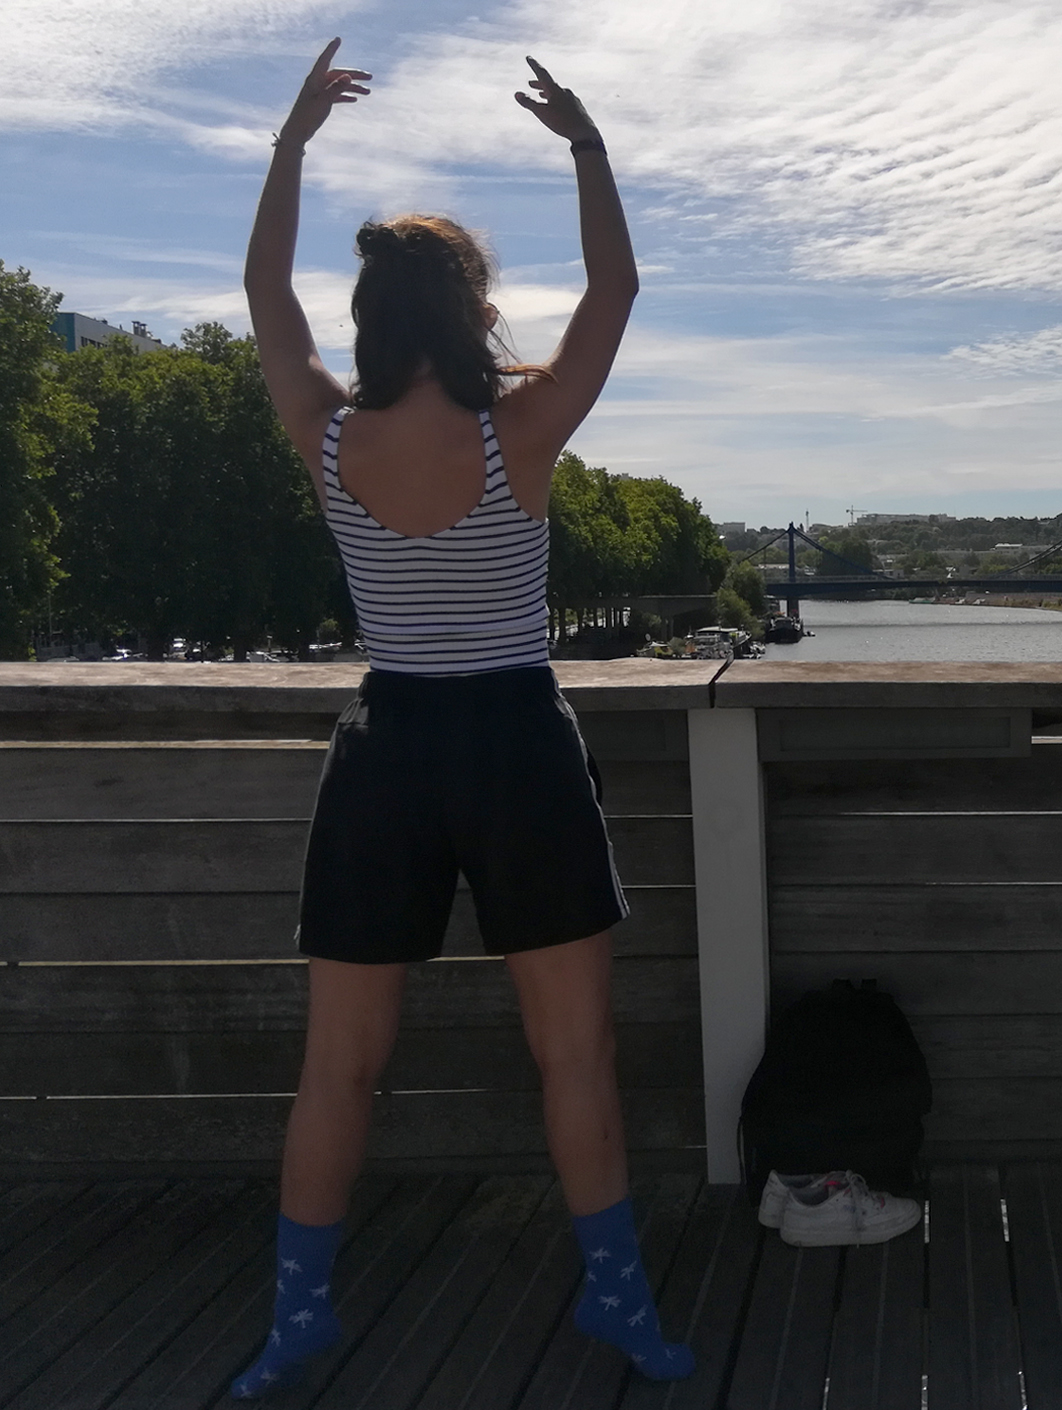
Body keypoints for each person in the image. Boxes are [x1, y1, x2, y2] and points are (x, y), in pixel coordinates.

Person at [234, 40, 691, 1395]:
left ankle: (296, 1315)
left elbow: (264, 290)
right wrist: (589, 148)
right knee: (574, 1053)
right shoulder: (521, 435)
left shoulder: (327, 435)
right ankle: (617, 1302)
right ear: (471, 311)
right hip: (513, 742)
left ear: (375, 322)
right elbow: (616, 288)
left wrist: (291, 145)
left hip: (385, 751)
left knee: (339, 1069)